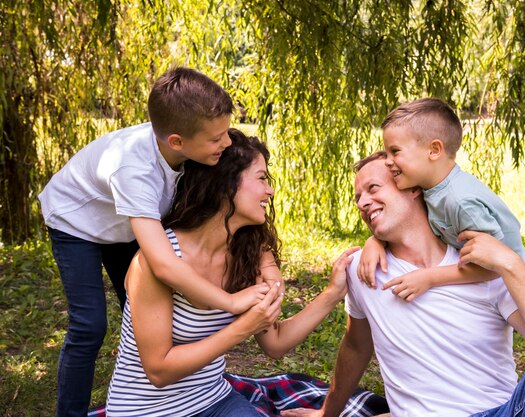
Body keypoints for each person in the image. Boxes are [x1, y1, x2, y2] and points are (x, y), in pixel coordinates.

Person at [283, 152, 525, 417]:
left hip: (502, 412)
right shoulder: (362, 270)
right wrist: (328, 412)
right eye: (357, 197)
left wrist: (510, 263)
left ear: (411, 186)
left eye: (373, 189)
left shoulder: (481, 267)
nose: (362, 203)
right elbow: (356, 346)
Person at [39, 67, 269, 417]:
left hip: (125, 224)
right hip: (77, 223)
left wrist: (268, 268)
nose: (226, 144)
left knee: (144, 309)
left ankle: (164, 394)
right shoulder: (134, 169)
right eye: (216, 138)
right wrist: (231, 302)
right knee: (90, 325)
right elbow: (163, 263)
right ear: (177, 141)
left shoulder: (189, 152)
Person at [106, 129, 358, 417]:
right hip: (146, 411)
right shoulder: (158, 261)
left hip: (214, 401)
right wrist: (242, 328)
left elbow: (275, 344)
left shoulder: (246, 255)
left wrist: (332, 294)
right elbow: (159, 370)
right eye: (262, 178)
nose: (270, 191)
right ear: (227, 184)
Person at [358, 98, 525, 302]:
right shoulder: (430, 187)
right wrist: (375, 242)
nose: (388, 162)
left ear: (433, 150)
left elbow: (495, 265)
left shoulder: (460, 202)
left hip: (511, 290)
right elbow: (403, 222)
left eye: (395, 151)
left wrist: (429, 277)